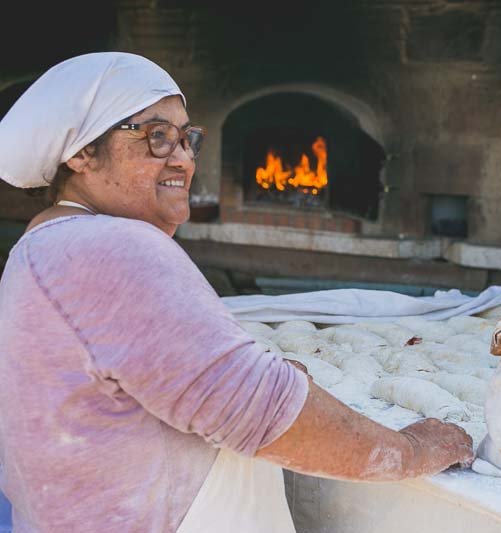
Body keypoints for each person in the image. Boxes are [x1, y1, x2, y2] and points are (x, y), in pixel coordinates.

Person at [0, 52, 472, 532]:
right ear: (81, 153)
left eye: (187, 139)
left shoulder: (42, 247)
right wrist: (415, 448)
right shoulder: (110, 246)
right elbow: (261, 414)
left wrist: (251, 375)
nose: (182, 157)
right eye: (156, 135)